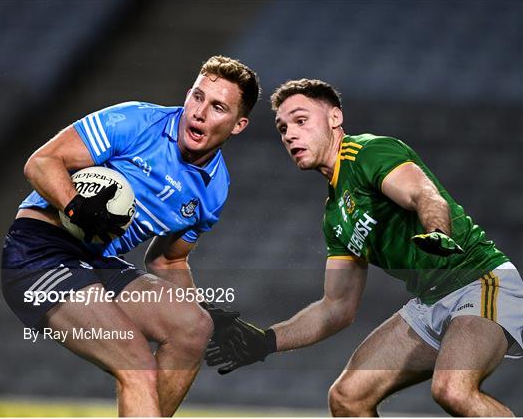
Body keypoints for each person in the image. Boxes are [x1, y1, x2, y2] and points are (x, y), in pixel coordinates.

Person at [205, 79, 522, 417]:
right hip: (431, 301)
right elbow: (336, 307)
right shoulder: (334, 216)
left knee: (452, 390)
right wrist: (265, 341)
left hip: (479, 279)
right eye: (282, 128)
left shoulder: (367, 152)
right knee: (347, 398)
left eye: (301, 120)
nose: (290, 135)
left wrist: (437, 232)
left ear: (335, 118)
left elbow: (423, 193)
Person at [1, 55, 260, 417]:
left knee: (193, 329)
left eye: (217, 107)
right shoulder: (137, 120)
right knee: (136, 365)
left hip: (95, 262)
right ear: (187, 95)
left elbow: (169, 259)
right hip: (38, 252)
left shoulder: (214, 189)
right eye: (197, 97)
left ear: (238, 124)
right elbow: (41, 163)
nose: (199, 112)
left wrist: (200, 309)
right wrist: (74, 205)